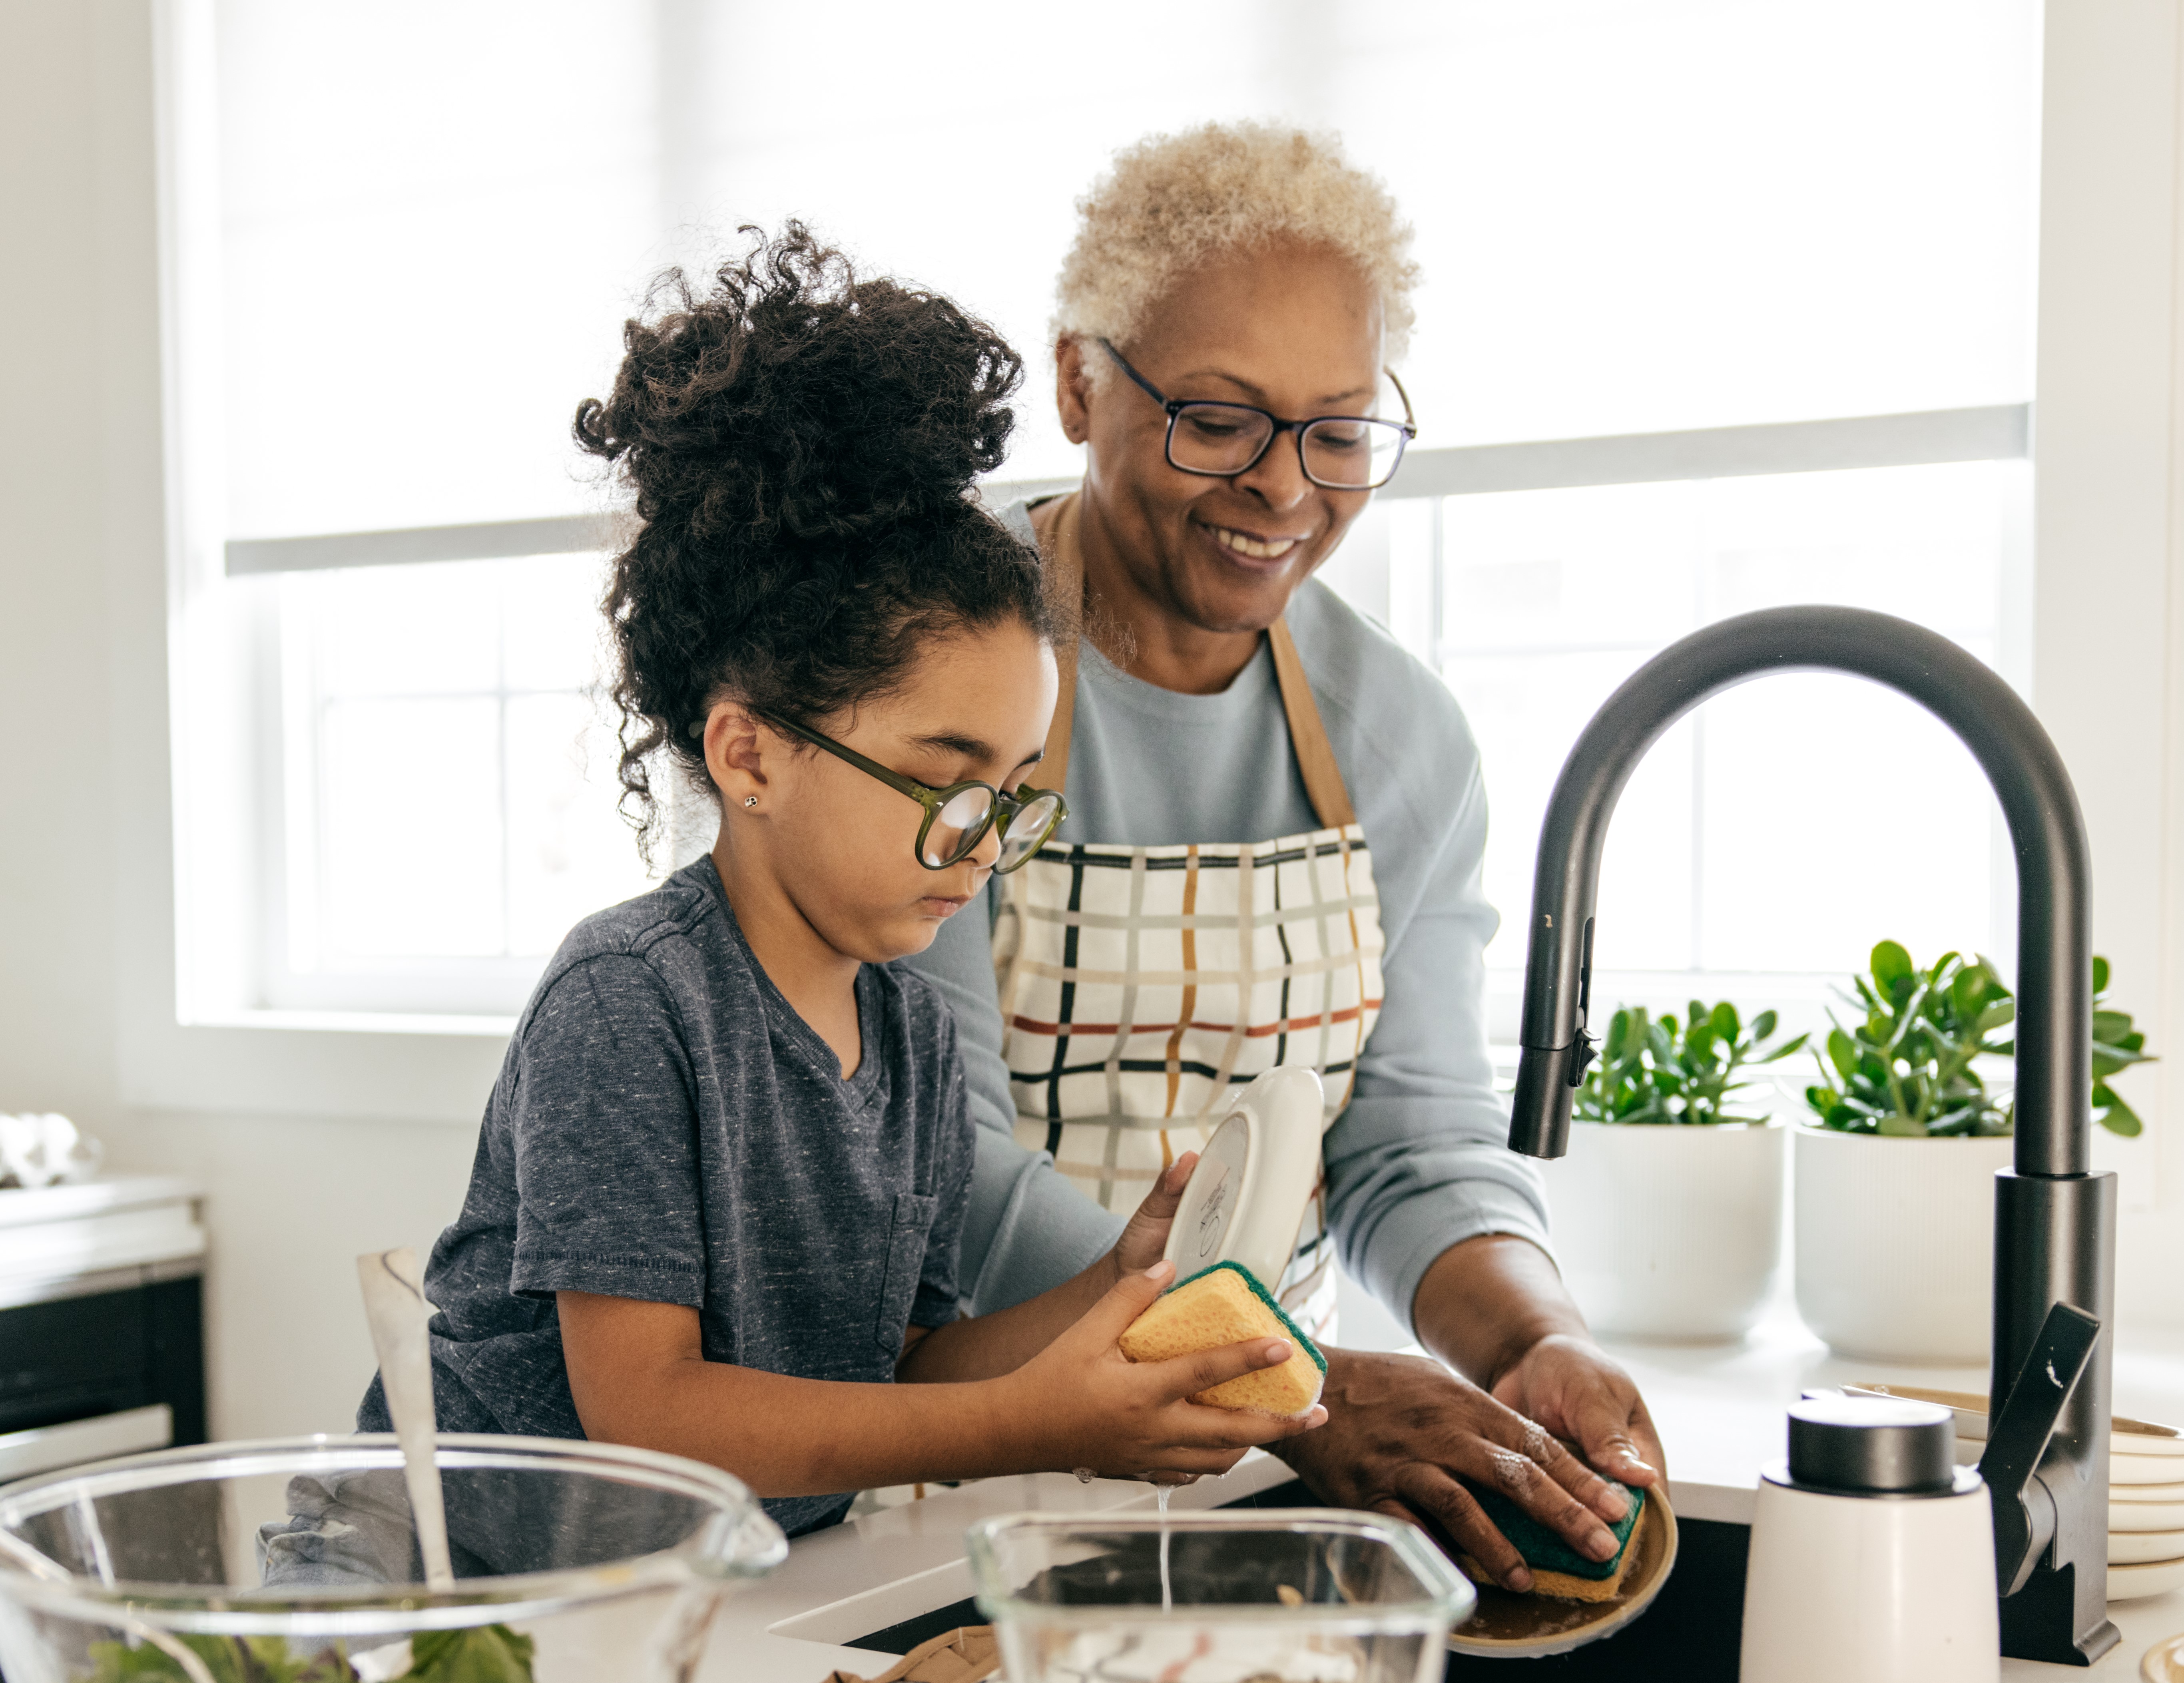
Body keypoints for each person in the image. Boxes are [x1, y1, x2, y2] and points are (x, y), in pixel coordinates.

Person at [348, 227, 1322, 1550]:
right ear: (749, 753)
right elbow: (655, 1420)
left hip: (694, 1588)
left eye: (1012, 794)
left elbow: (904, 1369)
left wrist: (1120, 1283)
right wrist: (1042, 1425)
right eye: (945, 783)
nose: (982, 845)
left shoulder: (910, 1037)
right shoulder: (630, 1004)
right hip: (449, 1581)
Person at [912, 124, 1664, 1592]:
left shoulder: (1400, 735)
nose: (1284, 488)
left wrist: (1533, 1336)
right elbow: (945, 1169)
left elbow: (1410, 1151)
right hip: (941, 1453)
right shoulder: (934, 673)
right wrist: (1292, 1379)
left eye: (1338, 430)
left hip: (1254, 1462)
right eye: (1218, 418)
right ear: (1080, 381)